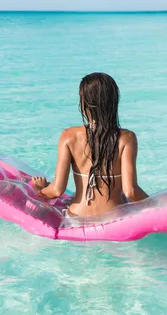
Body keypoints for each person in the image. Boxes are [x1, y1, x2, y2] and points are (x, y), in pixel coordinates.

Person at [32, 72, 148, 217]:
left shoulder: (68, 136)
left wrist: (40, 190)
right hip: (114, 218)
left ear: (84, 103)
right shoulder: (126, 138)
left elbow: (56, 190)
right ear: (113, 102)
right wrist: (157, 204)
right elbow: (131, 191)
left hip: (77, 216)